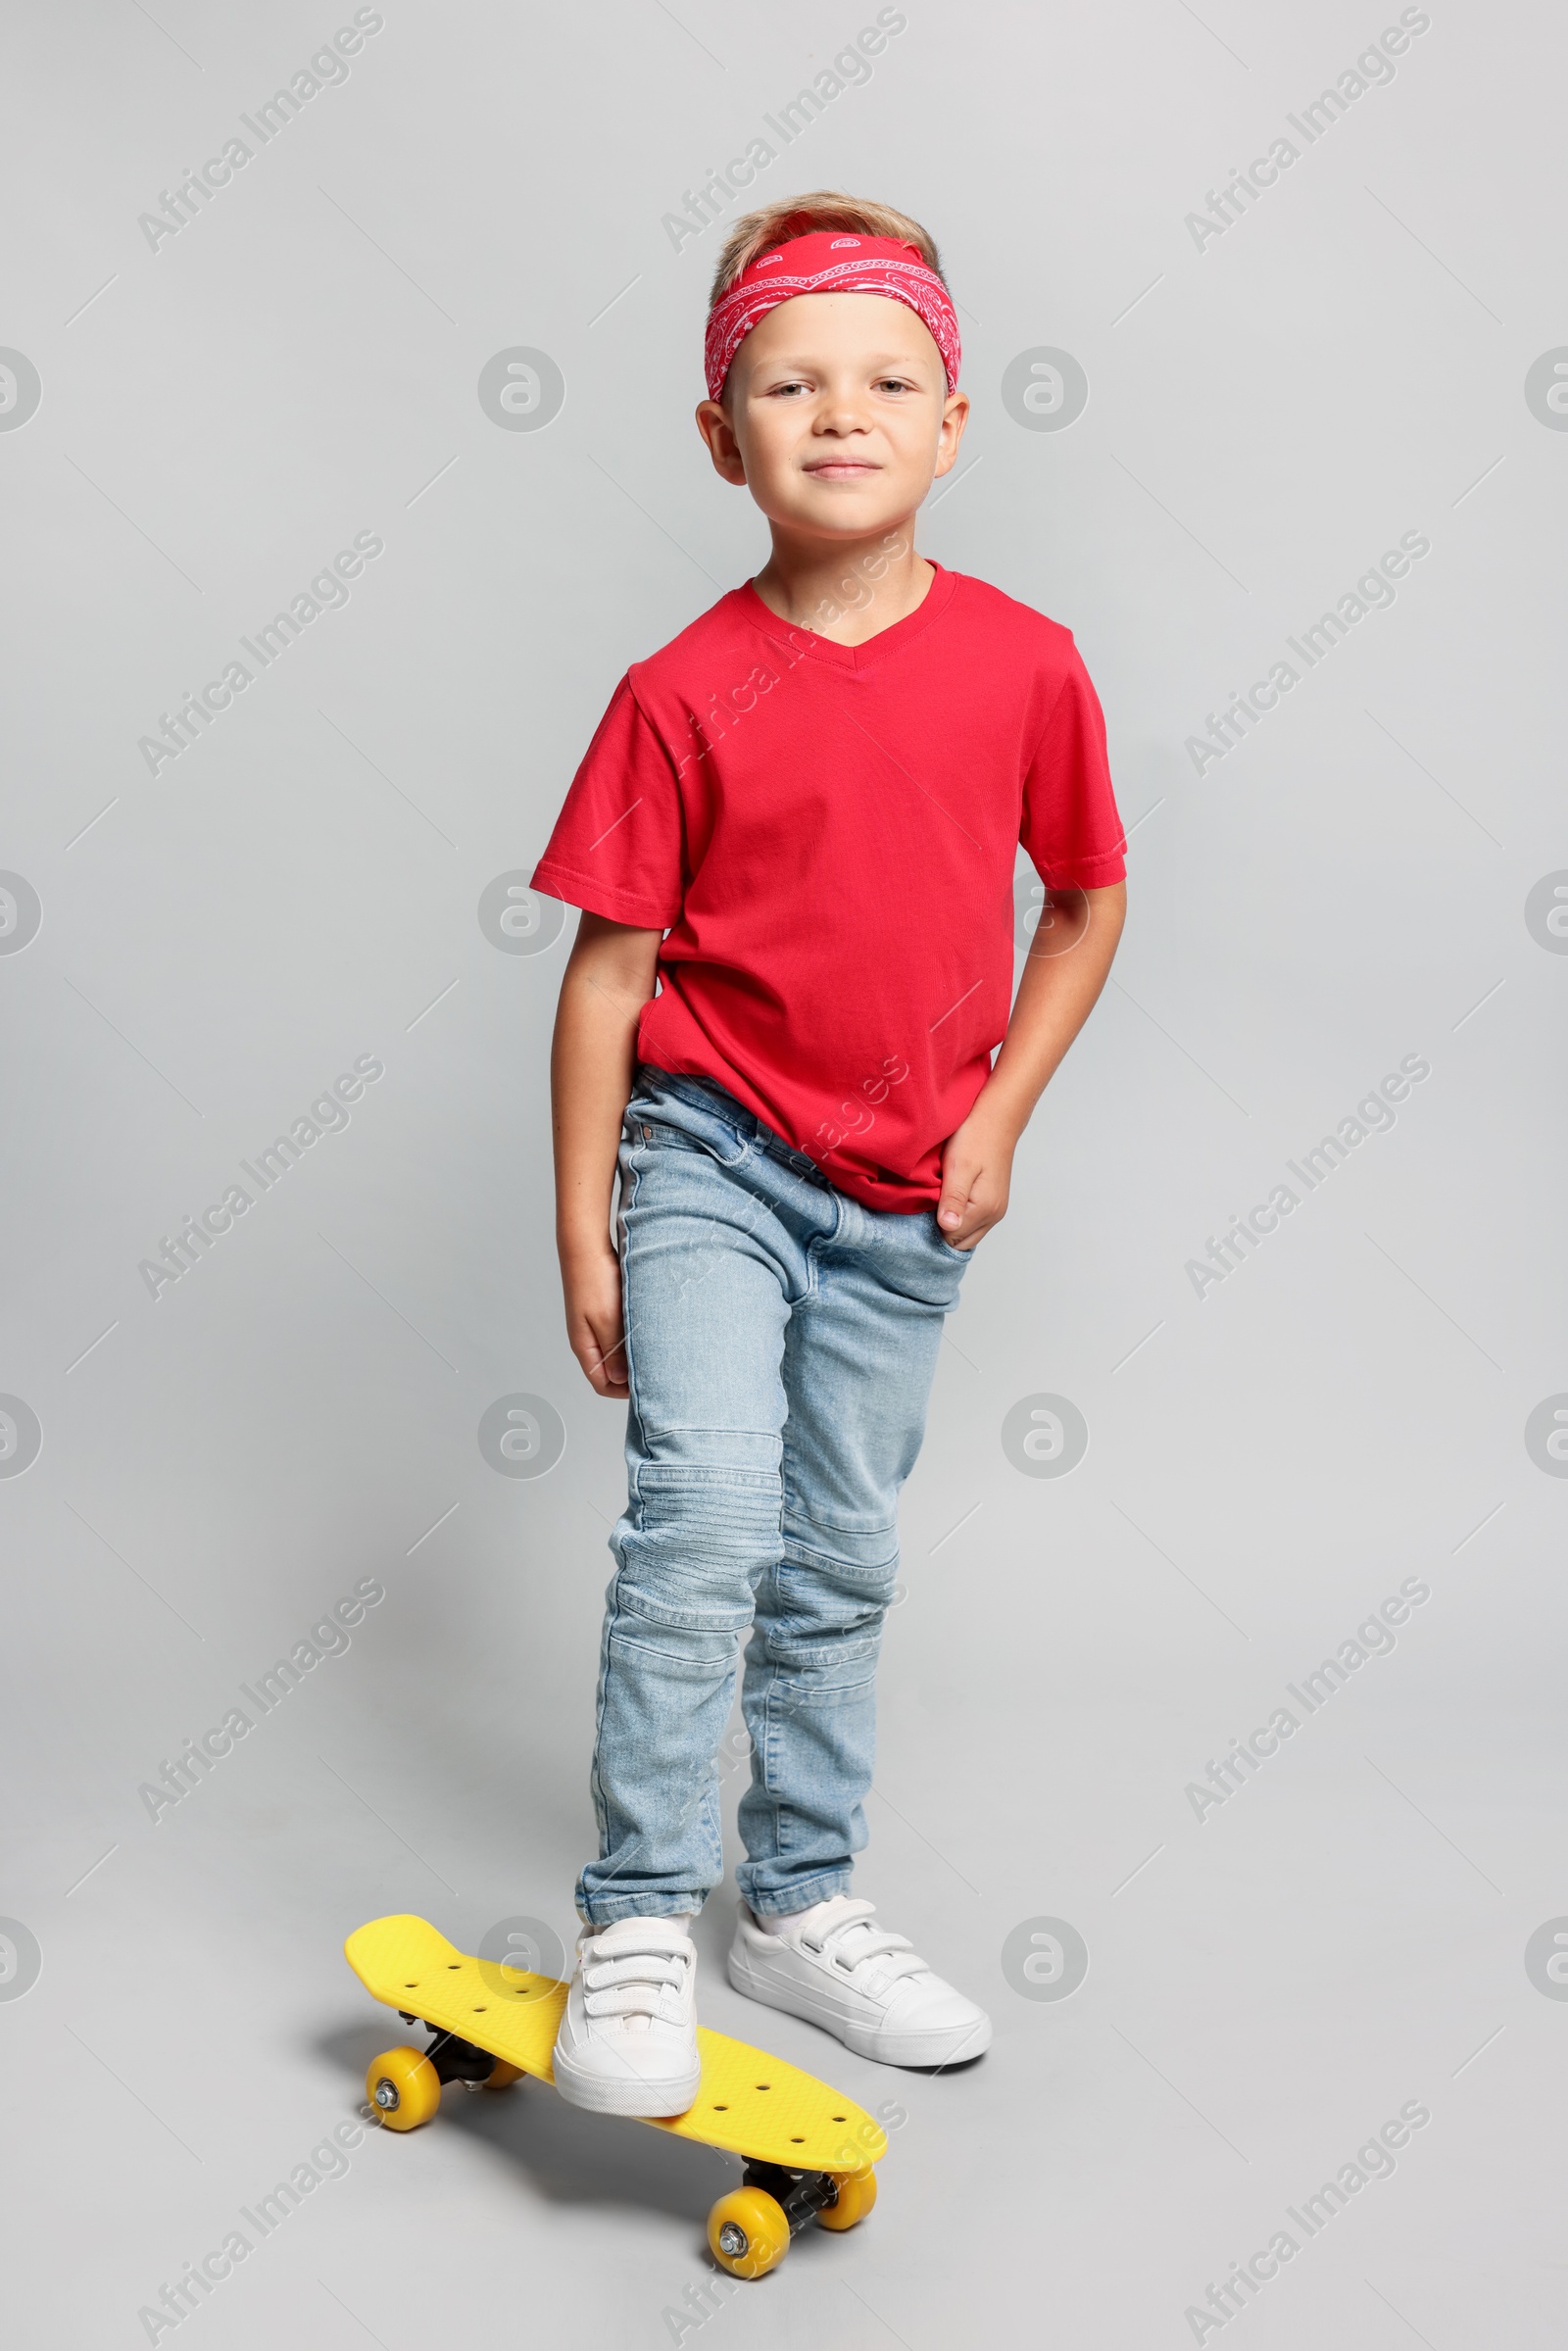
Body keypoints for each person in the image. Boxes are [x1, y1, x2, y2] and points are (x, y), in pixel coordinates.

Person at [530, 191, 1127, 2116]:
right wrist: (586, 1229)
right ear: (722, 438)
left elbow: (1085, 905)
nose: (840, 413)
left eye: (886, 381)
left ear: (953, 421)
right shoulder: (675, 692)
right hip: (705, 1149)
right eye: (787, 383)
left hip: (902, 1201)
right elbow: (606, 980)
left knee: (840, 1548)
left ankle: (792, 1897)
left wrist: (1001, 1115)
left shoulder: (1026, 665)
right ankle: (635, 1917)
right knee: (701, 1515)